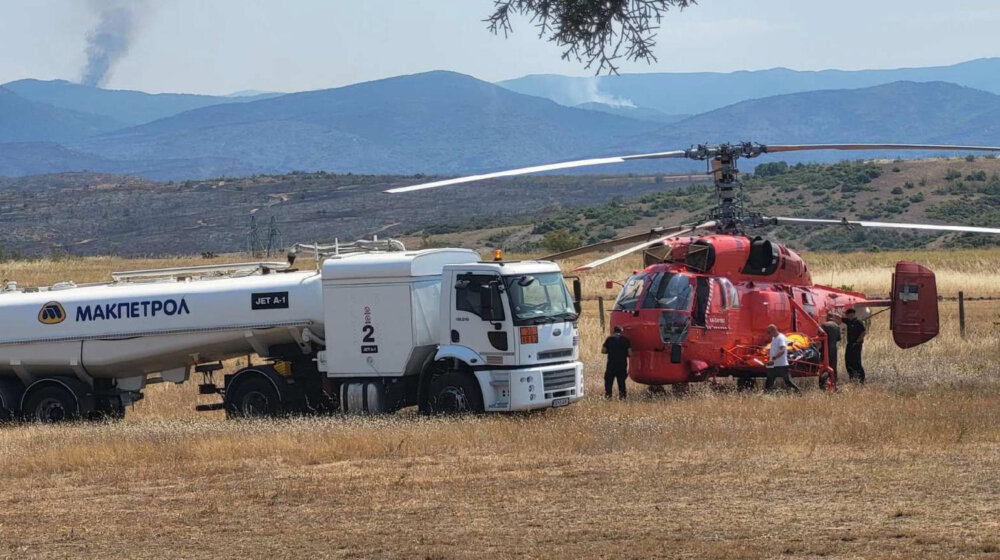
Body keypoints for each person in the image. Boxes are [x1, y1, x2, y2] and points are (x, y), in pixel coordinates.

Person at [765, 324, 800, 394]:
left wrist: (773, 358)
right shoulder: (774, 338)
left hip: (781, 365)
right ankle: (767, 395)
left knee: (788, 381)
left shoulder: (781, 338)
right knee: (769, 380)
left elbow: (782, 350)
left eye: (769, 332)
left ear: (774, 330)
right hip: (773, 365)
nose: (768, 334)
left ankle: (798, 393)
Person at [601, 326, 631, 399]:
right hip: (622, 365)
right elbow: (630, 353)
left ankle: (608, 397)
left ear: (614, 331)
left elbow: (603, 350)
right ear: (621, 331)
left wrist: (610, 351)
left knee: (608, 382)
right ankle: (622, 397)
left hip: (611, 365)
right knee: (621, 383)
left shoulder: (609, 339)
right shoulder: (626, 340)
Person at [843, 308, 867, 383]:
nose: (847, 316)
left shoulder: (858, 322)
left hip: (856, 345)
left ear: (852, 314)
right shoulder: (849, 322)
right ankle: (852, 377)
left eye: (848, 314)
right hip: (849, 344)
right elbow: (839, 318)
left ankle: (861, 379)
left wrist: (857, 341)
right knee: (848, 361)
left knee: (856, 362)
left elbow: (863, 332)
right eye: (846, 315)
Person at [820, 312, 842, 384]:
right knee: (833, 365)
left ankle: (823, 381)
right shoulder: (837, 326)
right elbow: (839, 338)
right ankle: (834, 381)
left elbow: (819, 336)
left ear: (827, 317)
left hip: (825, 348)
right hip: (833, 348)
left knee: (824, 365)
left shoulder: (824, 325)